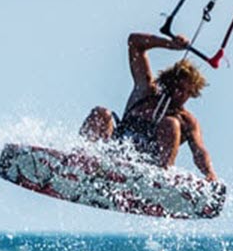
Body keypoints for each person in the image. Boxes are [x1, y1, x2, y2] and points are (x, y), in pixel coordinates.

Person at [79, 32, 217, 181]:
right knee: (101, 113)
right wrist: (170, 44)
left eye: (185, 91)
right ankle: (80, 160)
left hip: (148, 171)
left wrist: (209, 173)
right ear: (167, 82)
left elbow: (199, 151)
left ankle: (161, 179)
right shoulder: (145, 91)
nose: (178, 93)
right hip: (113, 155)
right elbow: (134, 43)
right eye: (176, 86)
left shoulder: (187, 120)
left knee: (171, 123)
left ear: (192, 93)